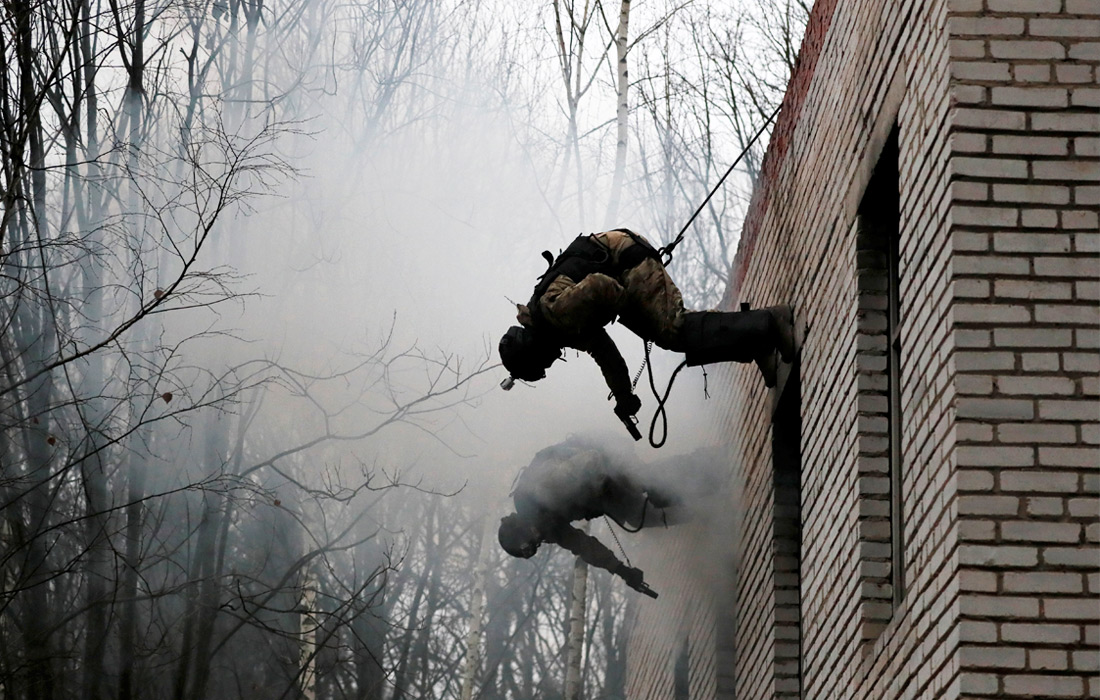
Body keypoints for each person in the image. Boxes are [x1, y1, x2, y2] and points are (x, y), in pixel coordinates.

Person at [498, 229, 795, 423]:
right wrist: (623, 396)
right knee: (670, 337)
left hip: (625, 258)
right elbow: (606, 354)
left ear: (534, 351)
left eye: (542, 364)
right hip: (620, 270)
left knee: (673, 329)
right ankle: (757, 342)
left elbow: (599, 285)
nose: (550, 363)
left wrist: (629, 307)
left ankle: (770, 321)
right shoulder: (558, 328)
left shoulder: (555, 312)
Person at [497, 437, 678, 598]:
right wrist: (621, 570)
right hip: (600, 479)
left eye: (533, 538)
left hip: (603, 449)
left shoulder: (545, 490)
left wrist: (618, 492)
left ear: (523, 526)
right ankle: (691, 506)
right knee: (641, 515)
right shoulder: (546, 524)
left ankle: (692, 472)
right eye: (536, 544)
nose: (539, 540)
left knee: (643, 483)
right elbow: (583, 546)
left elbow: (591, 459)